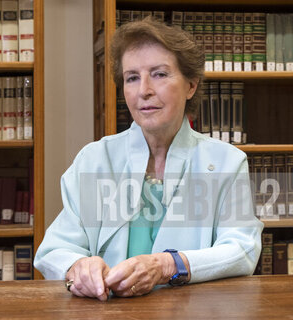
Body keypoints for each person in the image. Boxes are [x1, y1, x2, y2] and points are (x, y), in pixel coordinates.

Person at [34, 17, 263, 301]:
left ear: (191, 86)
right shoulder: (95, 160)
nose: (144, 90)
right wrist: (78, 267)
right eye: (132, 78)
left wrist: (166, 265)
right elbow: (55, 249)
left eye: (159, 74)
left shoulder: (227, 161)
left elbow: (242, 249)